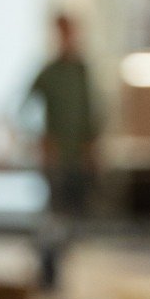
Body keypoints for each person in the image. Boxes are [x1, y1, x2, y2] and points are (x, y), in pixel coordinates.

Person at [26, 13, 100, 217]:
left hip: (80, 158)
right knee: (57, 212)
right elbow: (24, 110)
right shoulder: (49, 73)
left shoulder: (81, 71)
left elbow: (91, 111)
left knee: (82, 211)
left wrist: (92, 145)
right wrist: (42, 139)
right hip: (57, 158)